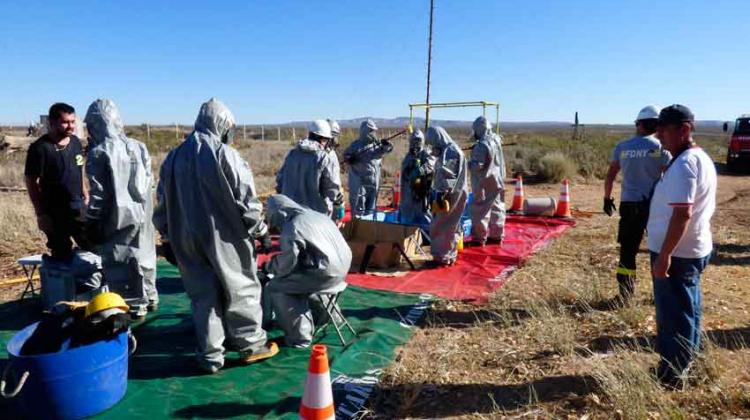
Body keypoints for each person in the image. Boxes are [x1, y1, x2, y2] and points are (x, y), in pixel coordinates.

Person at [153, 98, 277, 373]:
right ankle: (250, 344)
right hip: (225, 238)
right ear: (221, 125)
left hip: (185, 238)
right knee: (241, 287)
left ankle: (210, 356)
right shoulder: (226, 155)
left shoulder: (173, 158)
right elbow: (247, 201)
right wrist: (262, 230)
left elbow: (161, 202)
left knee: (203, 296)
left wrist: (167, 238)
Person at [648, 104, 716, 388]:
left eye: (664, 130)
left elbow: (682, 213)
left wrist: (665, 255)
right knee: (689, 307)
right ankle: (686, 361)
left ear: (684, 129)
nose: (659, 135)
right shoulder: (696, 159)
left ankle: (674, 373)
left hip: (678, 253)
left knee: (674, 313)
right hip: (690, 249)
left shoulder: (686, 163)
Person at [84, 99, 158, 319]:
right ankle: (151, 297)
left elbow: (98, 194)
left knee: (121, 262)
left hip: (117, 217)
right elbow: (150, 182)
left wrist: (91, 221)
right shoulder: (139, 146)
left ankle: (133, 306)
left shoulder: (98, 153)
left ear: (97, 124)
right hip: (143, 214)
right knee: (145, 257)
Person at [260, 195, 352, 348]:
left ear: (280, 212)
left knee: (276, 287)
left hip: (324, 273)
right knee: (304, 278)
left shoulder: (293, 226)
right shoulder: (317, 216)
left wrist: (270, 267)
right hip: (342, 270)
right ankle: (330, 317)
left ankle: (299, 337)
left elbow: (288, 262)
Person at [604, 105, 671, 304]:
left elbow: (610, 175)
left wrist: (607, 199)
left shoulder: (623, 147)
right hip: (655, 206)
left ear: (639, 124)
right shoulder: (661, 148)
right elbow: (669, 176)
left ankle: (625, 295)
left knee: (627, 251)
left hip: (629, 206)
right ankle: (662, 294)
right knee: (660, 250)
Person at [25, 102, 89, 261]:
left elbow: (80, 167)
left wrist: (85, 192)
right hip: (54, 212)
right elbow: (31, 182)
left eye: (73, 122)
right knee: (62, 255)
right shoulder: (39, 148)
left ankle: (90, 285)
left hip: (78, 207)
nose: (71, 126)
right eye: (65, 122)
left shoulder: (75, 142)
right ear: (51, 123)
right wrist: (41, 214)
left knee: (92, 249)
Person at [275, 120, 344, 220]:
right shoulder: (323, 157)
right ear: (323, 139)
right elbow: (332, 190)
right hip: (315, 217)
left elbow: (280, 181)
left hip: (290, 214)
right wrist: (337, 205)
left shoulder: (292, 154)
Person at [425, 126, 468, 267]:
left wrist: (441, 194)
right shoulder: (448, 150)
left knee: (441, 224)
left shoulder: (451, 151)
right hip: (454, 193)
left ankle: (441, 257)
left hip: (450, 195)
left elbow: (449, 176)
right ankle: (448, 255)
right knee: (450, 225)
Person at [468, 116, 506, 246]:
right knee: (497, 207)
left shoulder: (481, 145)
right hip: (497, 179)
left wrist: (468, 164)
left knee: (480, 209)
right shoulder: (496, 140)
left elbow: (478, 165)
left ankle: (479, 238)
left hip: (484, 181)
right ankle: (497, 235)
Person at [343, 119, 394, 217]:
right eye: (371, 131)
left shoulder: (377, 145)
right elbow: (346, 156)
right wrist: (350, 158)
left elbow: (388, 149)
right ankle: (357, 226)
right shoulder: (355, 145)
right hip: (360, 183)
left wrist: (387, 144)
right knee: (359, 207)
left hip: (373, 183)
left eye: (374, 131)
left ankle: (369, 225)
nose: (373, 133)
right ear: (365, 131)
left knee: (371, 207)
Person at [398, 129, 435, 226]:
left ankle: (427, 235)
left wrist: (419, 171)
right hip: (408, 194)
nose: (416, 144)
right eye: (414, 141)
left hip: (421, 192)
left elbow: (430, 165)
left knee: (424, 214)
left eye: (418, 141)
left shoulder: (427, 153)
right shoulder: (408, 156)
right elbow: (404, 171)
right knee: (408, 217)